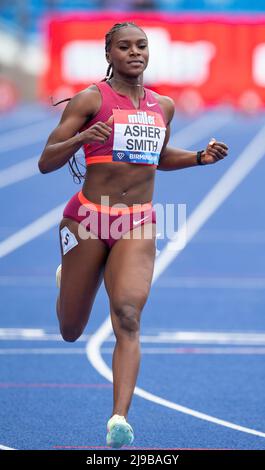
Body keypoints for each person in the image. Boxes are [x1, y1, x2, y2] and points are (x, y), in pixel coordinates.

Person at [38, 21, 228, 448]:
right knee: (71, 328)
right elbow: (45, 161)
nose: (134, 53)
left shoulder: (164, 106)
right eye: (124, 47)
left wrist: (199, 157)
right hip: (88, 219)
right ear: (109, 55)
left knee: (127, 316)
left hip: (137, 220)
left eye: (141, 46)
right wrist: (85, 136)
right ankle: (67, 277)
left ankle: (118, 419)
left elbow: (158, 158)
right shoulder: (90, 99)